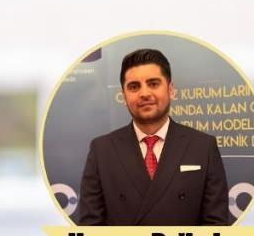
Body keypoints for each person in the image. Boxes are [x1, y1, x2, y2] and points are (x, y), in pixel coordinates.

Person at [75, 48, 231, 226]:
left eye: (153, 83)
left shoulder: (203, 147)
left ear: (170, 89)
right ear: (124, 96)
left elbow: (215, 229)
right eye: (134, 87)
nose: (144, 94)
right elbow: (90, 233)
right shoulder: (102, 150)